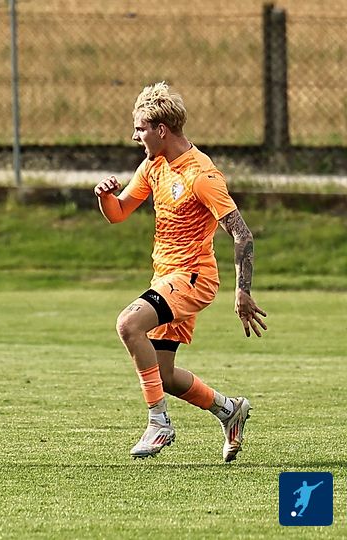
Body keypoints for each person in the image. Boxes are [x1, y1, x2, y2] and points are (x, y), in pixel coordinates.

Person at [93, 82, 268, 462]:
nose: (134, 136)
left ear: (161, 130)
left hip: (193, 278)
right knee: (164, 375)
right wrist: (105, 196)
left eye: (140, 128)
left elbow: (242, 234)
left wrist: (242, 291)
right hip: (166, 278)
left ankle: (158, 423)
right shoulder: (153, 165)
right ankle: (229, 409)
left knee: (128, 324)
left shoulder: (201, 174)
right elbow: (118, 213)